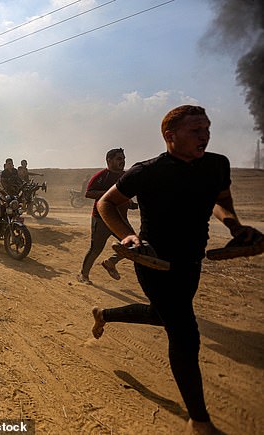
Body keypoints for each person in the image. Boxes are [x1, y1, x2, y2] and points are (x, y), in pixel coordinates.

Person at [91, 105, 262, 434]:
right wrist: (128, 235)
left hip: (191, 260)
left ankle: (105, 315)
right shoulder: (148, 171)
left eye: (207, 128)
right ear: (170, 136)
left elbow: (220, 200)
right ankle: (199, 421)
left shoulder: (216, 165)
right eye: (196, 130)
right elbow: (105, 203)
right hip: (153, 259)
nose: (205, 135)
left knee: (162, 315)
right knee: (184, 331)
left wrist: (236, 228)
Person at [77, 148, 130, 284]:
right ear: (109, 160)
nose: (122, 161)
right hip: (102, 219)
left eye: (123, 159)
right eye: (119, 159)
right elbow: (89, 193)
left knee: (133, 245)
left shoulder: (126, 176)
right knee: (96, 249)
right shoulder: (101, 176)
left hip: (120, 219)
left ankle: (110, 262)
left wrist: (130, 203)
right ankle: (83, 275)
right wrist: (110, 193)